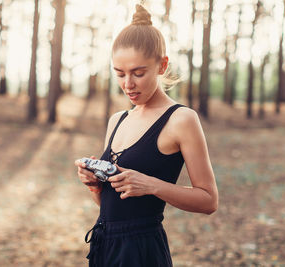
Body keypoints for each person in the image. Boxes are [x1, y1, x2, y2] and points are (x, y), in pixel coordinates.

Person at [74, 4, 218, 267]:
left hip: (142, 251)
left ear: (162, 65)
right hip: (104, 245)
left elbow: (209, 200)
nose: (128, 84)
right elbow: (113, 206)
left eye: (138, 73)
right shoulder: (117, 120)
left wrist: (152, 185)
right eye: (120, 74)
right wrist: (94, 184)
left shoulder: (181, 119)